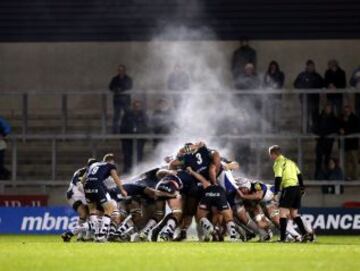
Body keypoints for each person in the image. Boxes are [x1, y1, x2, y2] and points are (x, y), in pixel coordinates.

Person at [268, 145, 314, 242]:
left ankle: (282, 239)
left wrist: (276, 192)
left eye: (270, 155)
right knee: (294, 214)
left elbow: (278, 178)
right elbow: (299, 174)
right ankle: (305, 234)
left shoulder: (278, 163)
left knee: (282, 213)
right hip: (297, 188)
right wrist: (302, 187)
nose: (270, 157)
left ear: (274, 154)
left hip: (289, 188)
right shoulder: (290, 162)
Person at [83, 153, 127, 242]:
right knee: (109, 209)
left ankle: (96, 235)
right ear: (112, 161)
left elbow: (83, 179)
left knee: (92, 210)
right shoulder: (110, 165)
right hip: (96, 185)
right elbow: (116, 178)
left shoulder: (94, 165)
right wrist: (122, 190)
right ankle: (101, 235)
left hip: (87, 185)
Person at [294, 60, 324, 133]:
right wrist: (303, 88)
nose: (311, 68)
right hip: (305, 99)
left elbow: (323, 84)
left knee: (315, 115)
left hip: (315, 99)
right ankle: (305, 131)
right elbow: (296, 84)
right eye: (310, 66)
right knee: (305, 115)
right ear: (307, 66)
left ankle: (315, 130)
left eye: (312, 66)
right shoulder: (302, 75)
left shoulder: (317, 76)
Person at [120, 100, 148, 173]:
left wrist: (142, 134)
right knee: (127, 156)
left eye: (138, 106)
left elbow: (146, 126)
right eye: (135, 106)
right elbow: (123, 126)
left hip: (139, 139)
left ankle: (138, 171)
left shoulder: (143, 115)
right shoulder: (127, 115)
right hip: (128, 139)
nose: (136, 107)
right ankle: (127, 171)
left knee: (138, 156)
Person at [313, 104, 339, 179]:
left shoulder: (333, 118)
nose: (328, 110)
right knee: (318, 160)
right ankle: (317, 176)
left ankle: (327, 177)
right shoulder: (320, 117)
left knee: (327, 160)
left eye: (329, 108)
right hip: (320, 142)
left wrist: (325, 133)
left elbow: (334, 129)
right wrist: (319, 134)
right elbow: (316, 128)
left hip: (328, 142)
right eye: (326, 108)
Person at [109, 64, 133, 133]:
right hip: (117, 100)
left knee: (128, 115)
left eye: (122, 70)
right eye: (119, 70)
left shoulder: (128, 79)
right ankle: (115, 131)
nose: (121, 71)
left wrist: (121, 89)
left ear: (125, 71)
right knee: (116, 116)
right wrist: (116, 89)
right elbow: (110, 87)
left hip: (126, 100)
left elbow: (129, 86)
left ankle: (128, 130)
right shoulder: (115, 79)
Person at [339, 105, 360, 180]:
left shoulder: (355, 118)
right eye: (345, 111)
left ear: (350, 110)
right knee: (347, 162)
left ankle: (355, 177)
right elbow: (340, 128)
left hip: (353, 144)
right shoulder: (342, 118)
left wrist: (346, 131)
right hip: (345, 145)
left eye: (347, 110)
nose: (346, 112)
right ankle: (348, 177)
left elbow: (356, 129)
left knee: (354, 162)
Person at [263, 61, 285, 132]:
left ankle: (277, 129)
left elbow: (280, 83)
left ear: (276, 67)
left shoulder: (280, 74)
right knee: (270, 115)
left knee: (277, 115)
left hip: (277, 97)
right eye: (271, 66)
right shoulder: (267, 74)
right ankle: (270, 129)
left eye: (274, 66)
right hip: (269, 98)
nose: (273, 67)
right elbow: (265, 84)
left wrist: (274, 86)